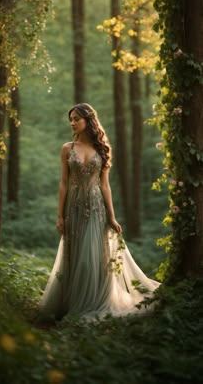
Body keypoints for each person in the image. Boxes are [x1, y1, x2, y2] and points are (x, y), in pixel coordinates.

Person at [39, 103, 160, 322]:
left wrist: (112, 216)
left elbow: (105, 186)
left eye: (76, 118)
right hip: (73, 208)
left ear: (88, 120)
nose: (73, 123)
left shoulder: (101, 149)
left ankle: (94, 300)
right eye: (71, 120)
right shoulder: (67, 148)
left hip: (96, 208)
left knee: (95, 256)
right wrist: (59, 215)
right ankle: (72, 303)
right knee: (75, 255)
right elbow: (64, 184)